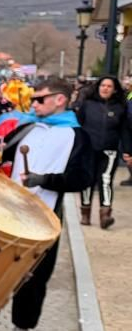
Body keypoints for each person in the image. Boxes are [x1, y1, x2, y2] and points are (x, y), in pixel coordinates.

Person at [0, 78, 95, 331]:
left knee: (34, 274)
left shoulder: (78, 137)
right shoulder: (26, 127)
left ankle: (22, 329)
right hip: (8, 209)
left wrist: (45, 179)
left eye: (40, 99)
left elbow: (83, 178)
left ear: (60, 100)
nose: (34, 104)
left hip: (44, 215)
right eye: (33, 99)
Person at [74, 75, 127, 228]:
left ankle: (105, 214)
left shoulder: (120, 108)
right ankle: (85, 213)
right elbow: (78, 125)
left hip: (109, 150)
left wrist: (127, 151)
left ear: (115, 90)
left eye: (109, 86)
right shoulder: (88, 104)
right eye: (103, 85)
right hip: (88, 149)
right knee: (87, 180)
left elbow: (124, 131)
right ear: (98, 87)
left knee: (105, 180)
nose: (105, 88)